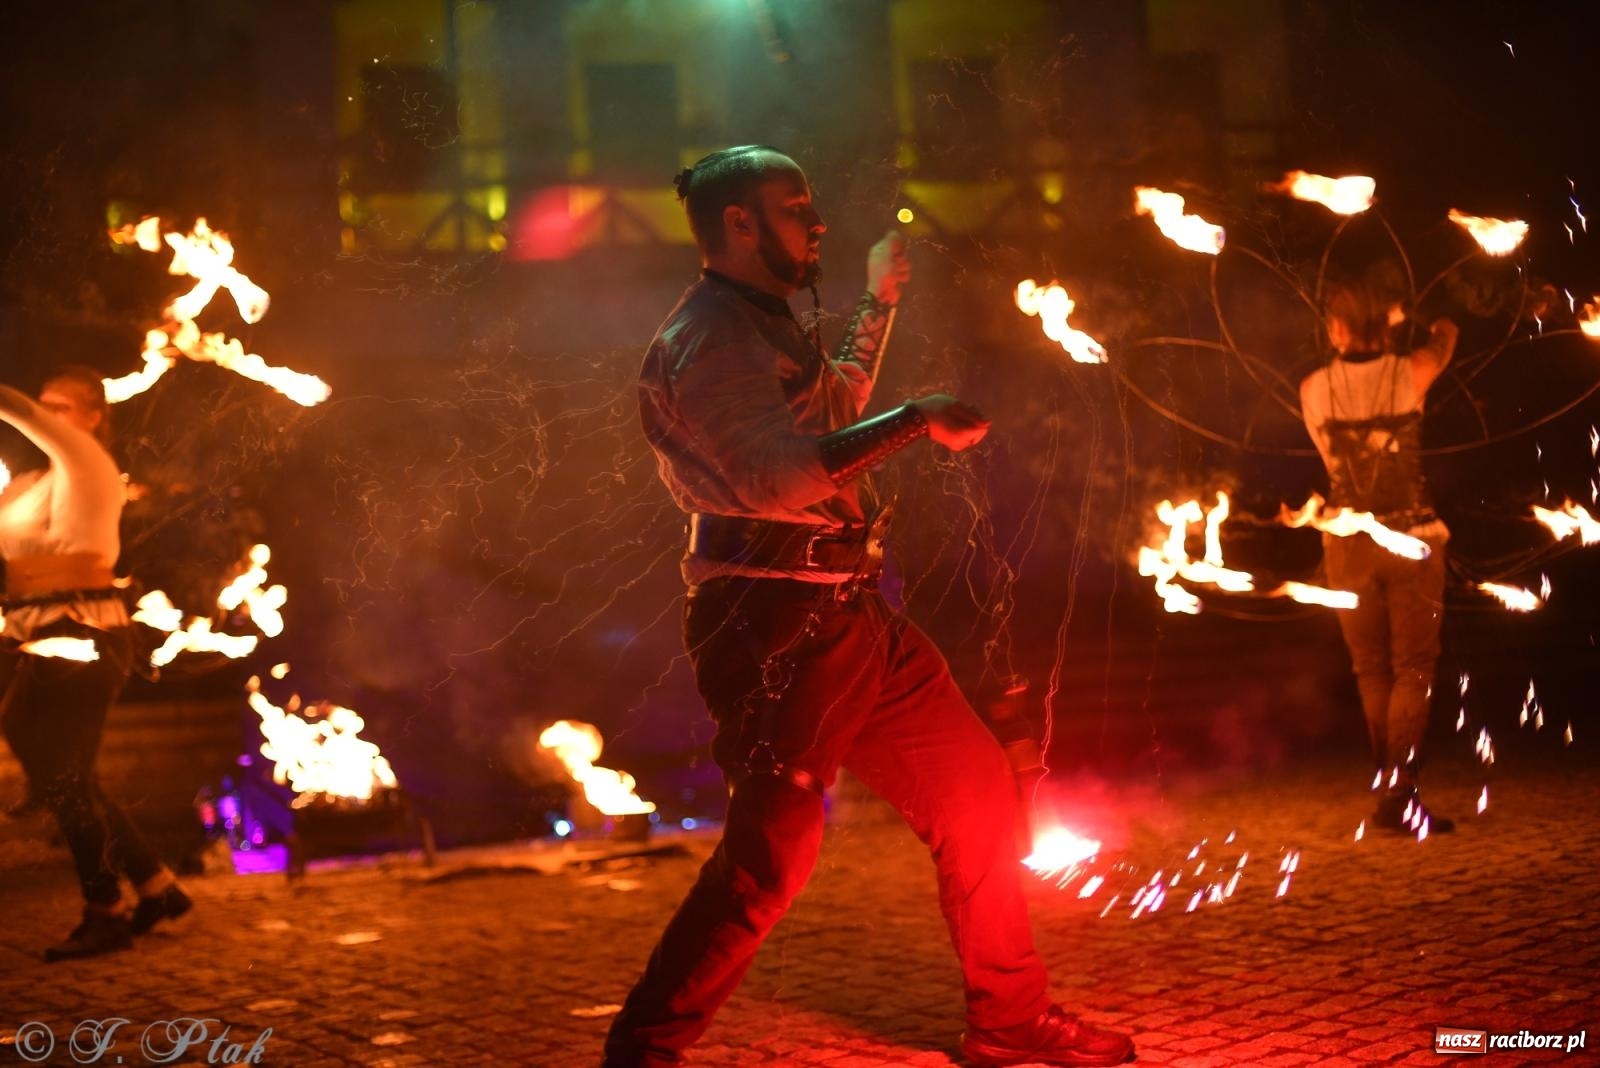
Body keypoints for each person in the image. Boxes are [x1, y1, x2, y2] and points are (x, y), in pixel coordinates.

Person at [606, 145, 1134, 1067]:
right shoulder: (711, 338)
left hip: (849, 615)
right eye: (795, 207)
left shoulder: (761, 319)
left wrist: (877, 304)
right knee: (770, 864)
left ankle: (1008, 1022)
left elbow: (830, 408)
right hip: (772, 629)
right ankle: (642, 1053)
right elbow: (774, 477)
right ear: (739, 224)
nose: (815, 224)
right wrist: (917, 419)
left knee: (973, 797)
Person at [0, 367, 192, 960]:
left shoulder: (91, 466)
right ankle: (157, 886)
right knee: (65, 773)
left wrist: (23, 404)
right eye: (46, 403)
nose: (48, 413)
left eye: (61, 405)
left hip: (87, 636)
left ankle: (105, 909)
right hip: (31, 638)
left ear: (89, 418)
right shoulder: (26, 485)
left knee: (66, 779)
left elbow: (22, 412)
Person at [1299, 271, 1459, 834]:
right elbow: (1446, 336)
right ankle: (1400, 793)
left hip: (1348, 546)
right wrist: (1419, 318)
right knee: (1413, 667)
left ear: (1338, 327)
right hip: (1413, 538)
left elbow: (1328, 456)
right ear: (1385, 321)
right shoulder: (1411, 370)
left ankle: (1390, 792)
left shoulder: (1314, 386)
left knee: (1371, 669)